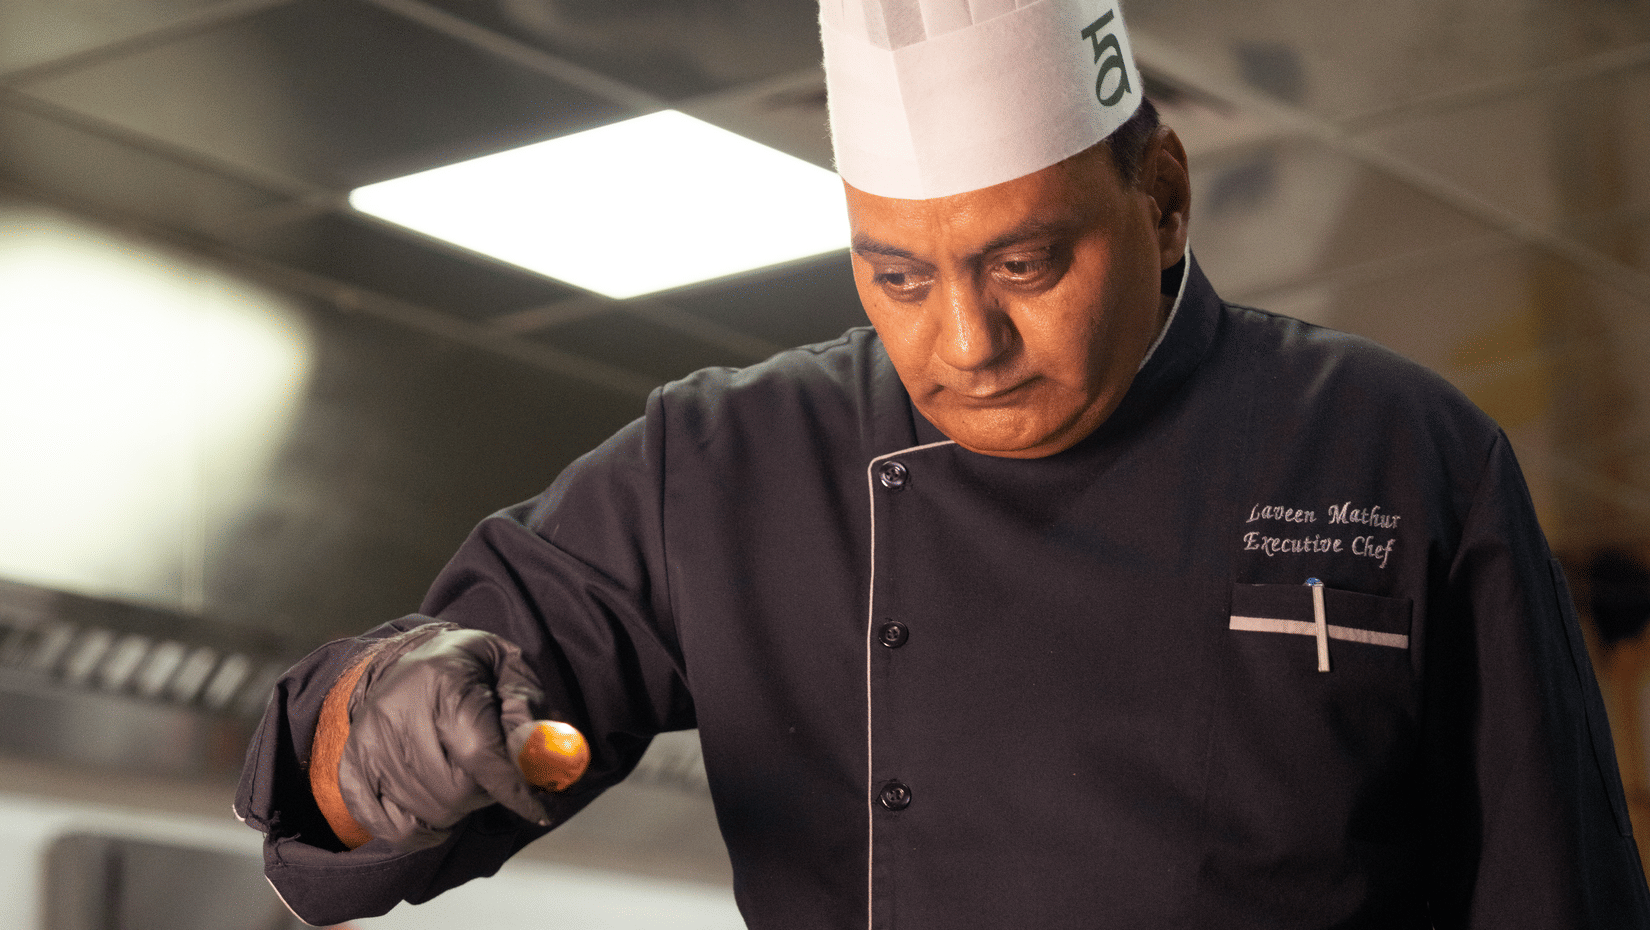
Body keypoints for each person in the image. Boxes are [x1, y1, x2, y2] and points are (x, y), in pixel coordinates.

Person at [235, 1, 1650, 927]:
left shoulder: (1396, 447)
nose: (962, 339)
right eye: (896, 275)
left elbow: (1555, 893)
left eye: (1023, 262)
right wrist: (385, 725)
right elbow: (365, 754)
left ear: (1156, 202)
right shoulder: (727, 461)